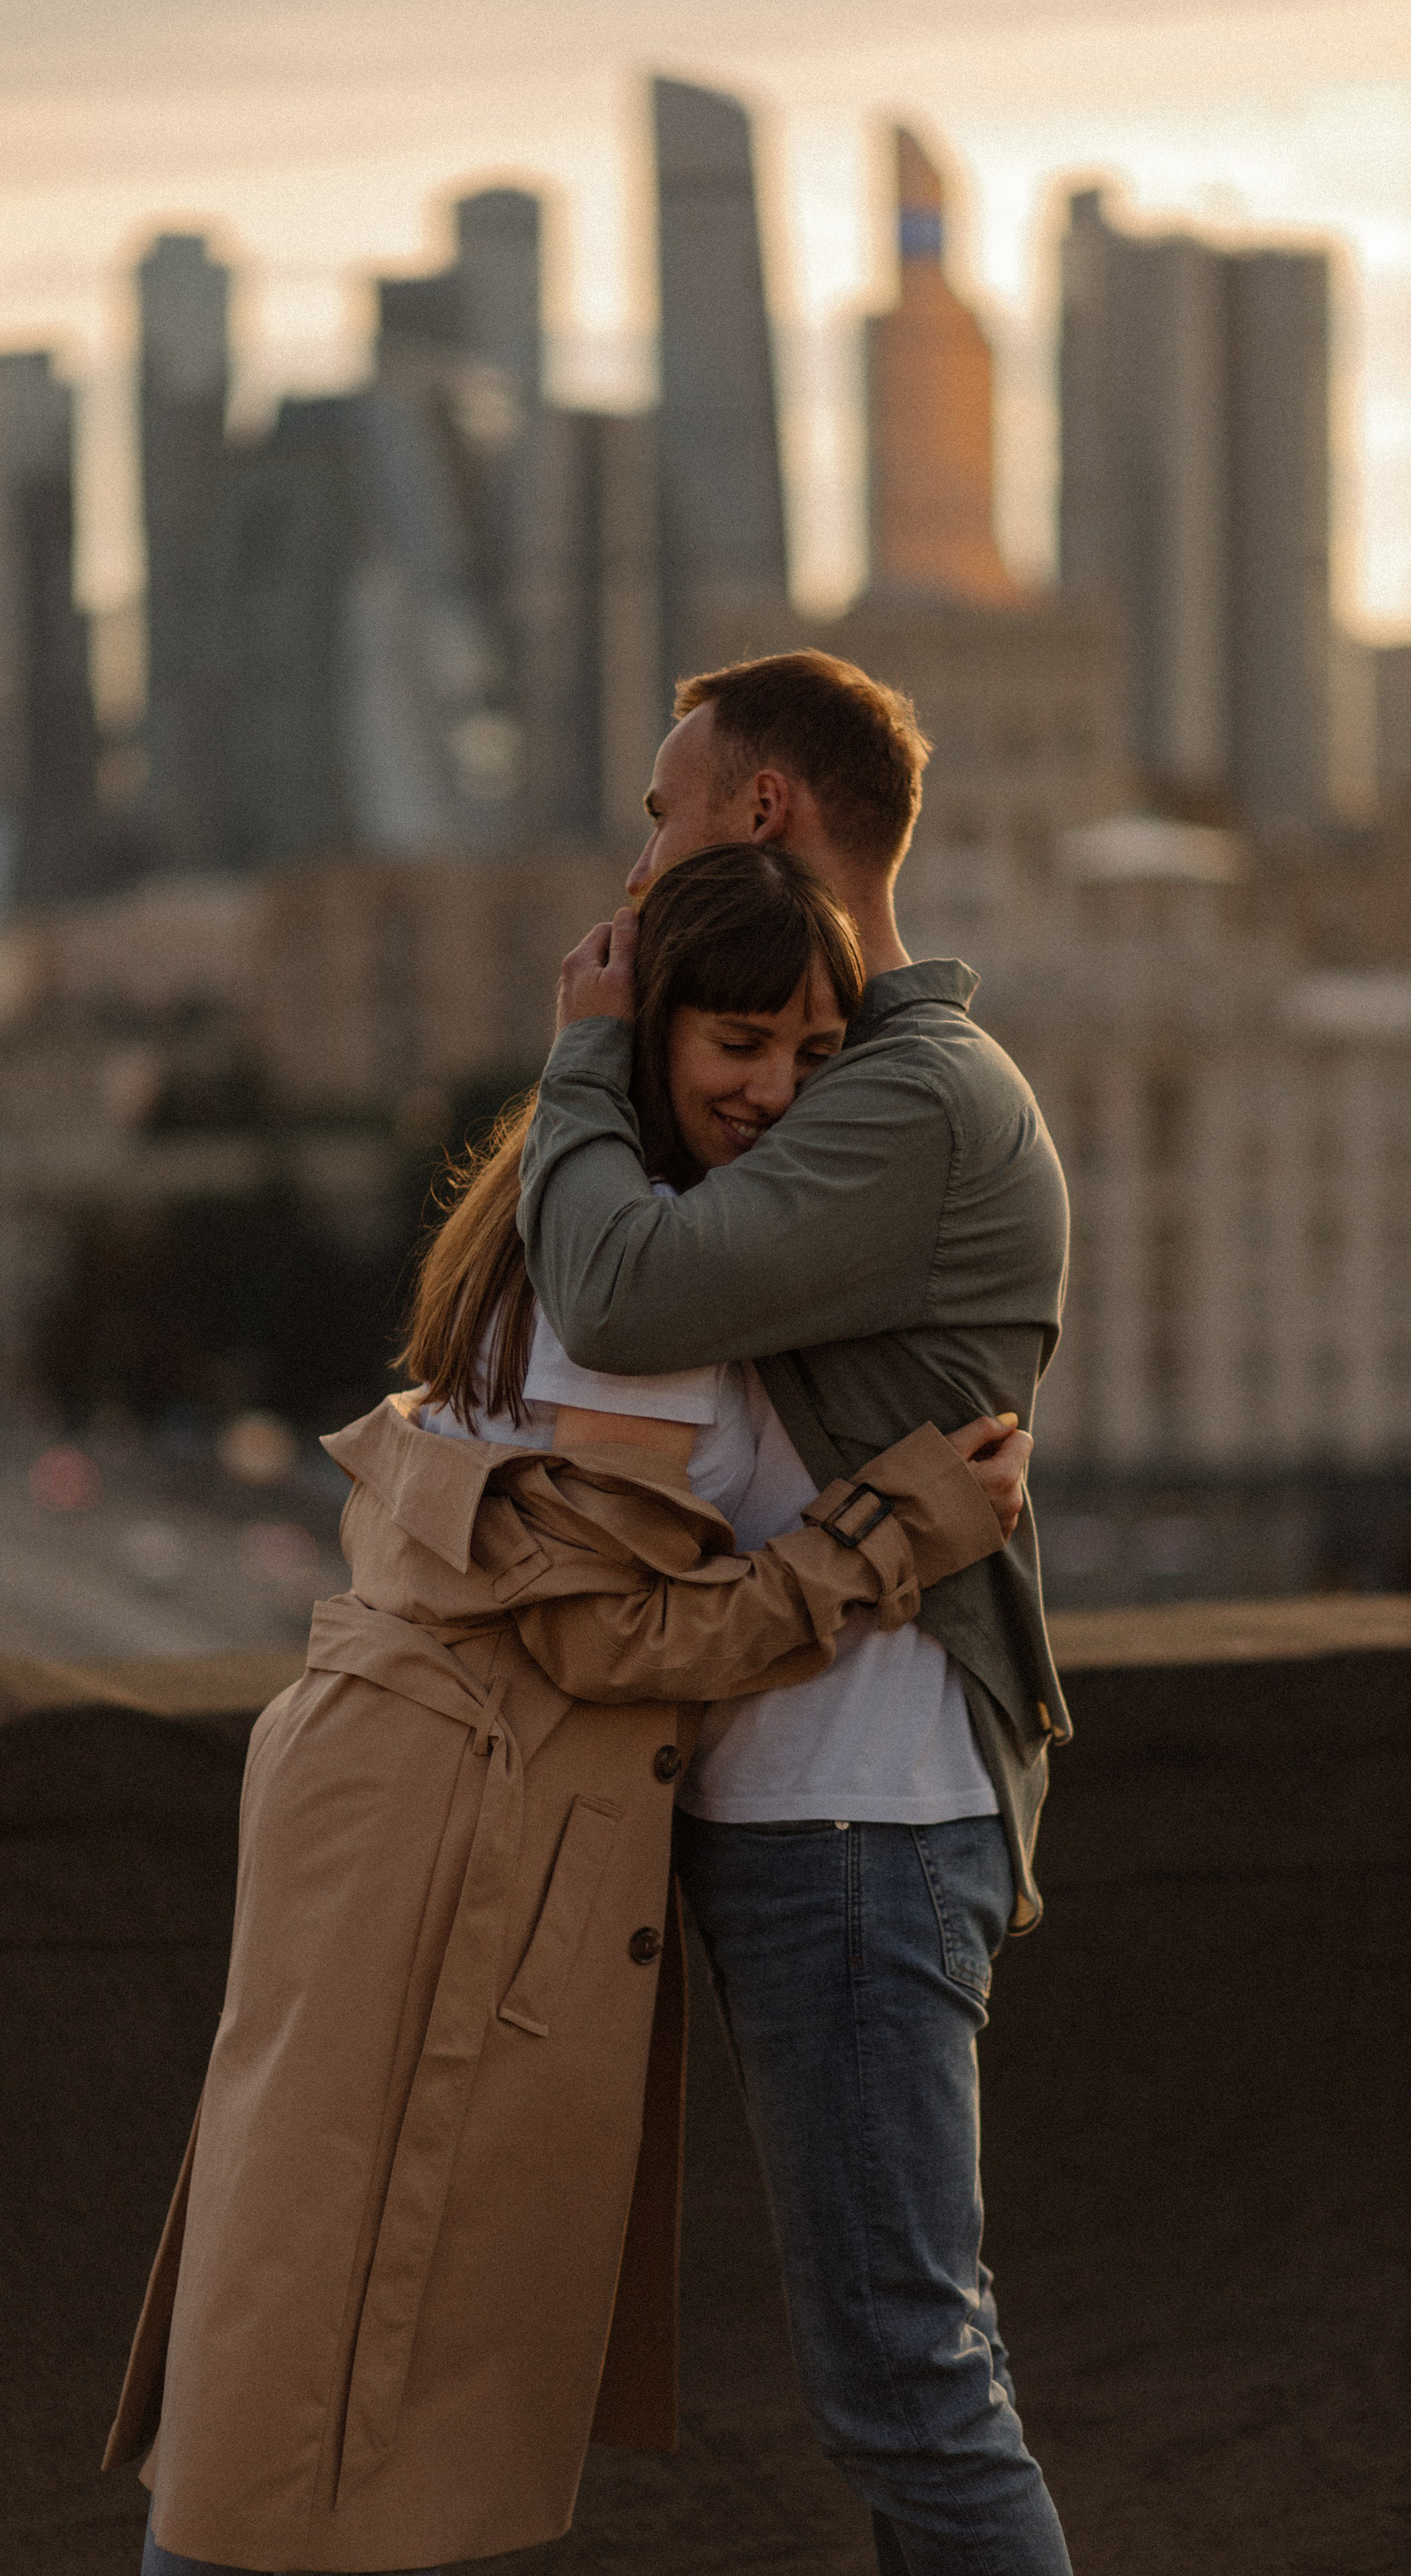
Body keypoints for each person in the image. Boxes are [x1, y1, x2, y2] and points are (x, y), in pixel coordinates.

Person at [106, 846, 1033, 2576]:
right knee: (337, 2341)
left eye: (817, 1054)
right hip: (462, 1815)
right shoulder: (640, 1294)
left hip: (392, 1784)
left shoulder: (571, 1208)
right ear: (653, 1030)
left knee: (307, 2301)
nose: (777, 1091)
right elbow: (610, 1637)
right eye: (738, 1041)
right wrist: (898, 1531)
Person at [517, 652, 1075, 2576]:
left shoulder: (912, 1097)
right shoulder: (867, 1084)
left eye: (663, 813)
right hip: (818, 1809)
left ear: (764, 812)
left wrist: (585, 1054)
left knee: (913, 2391)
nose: (641, 858)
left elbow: (619, 1292)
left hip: (863, 1819)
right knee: (904, 2389)